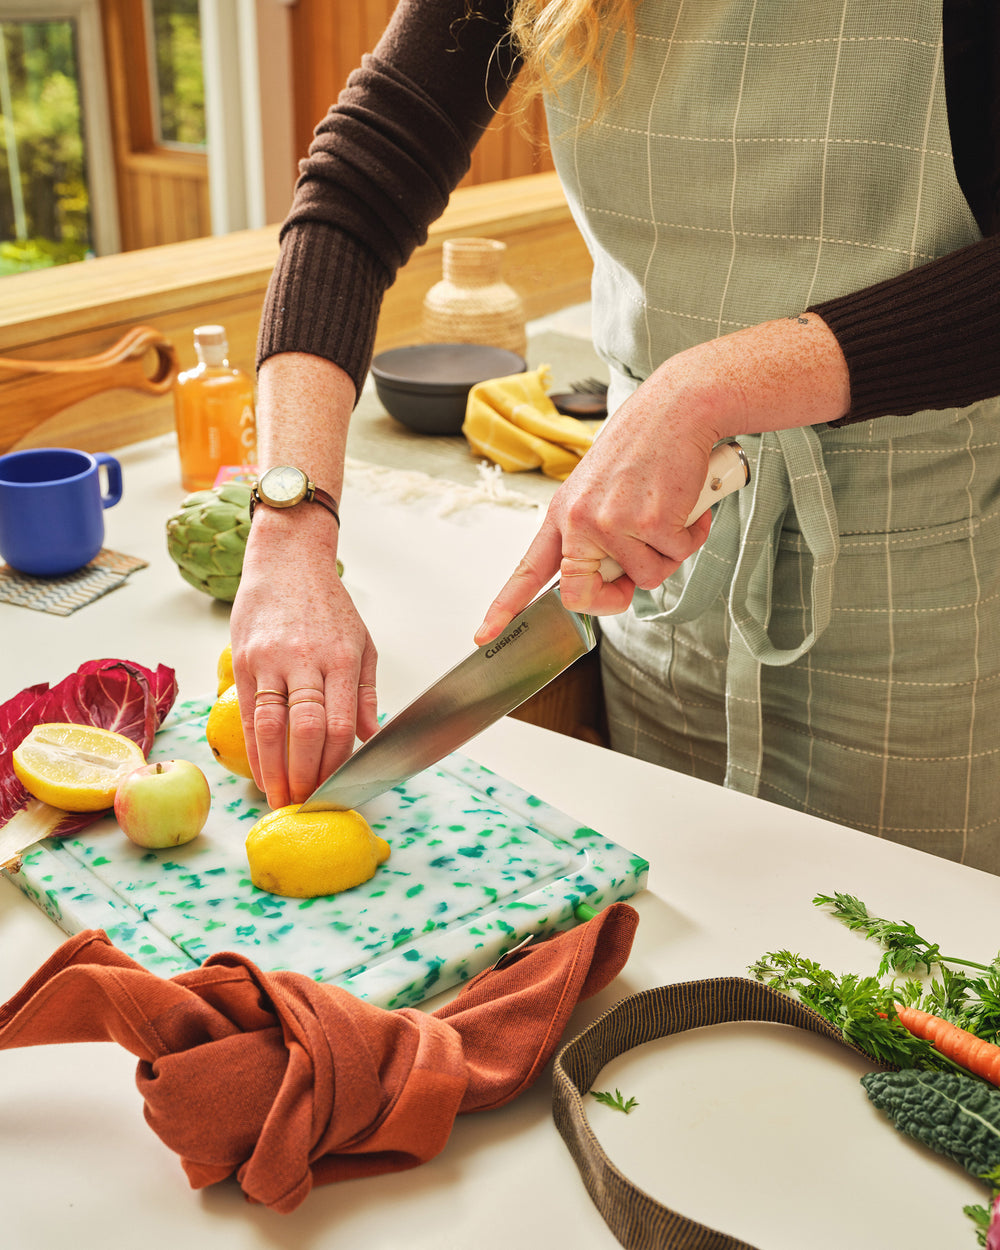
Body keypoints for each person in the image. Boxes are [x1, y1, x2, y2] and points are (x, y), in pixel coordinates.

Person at [230, 1, 1000, 871]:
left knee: (918, 968)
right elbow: (354, 194)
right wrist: (291, 527)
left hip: (934, 597)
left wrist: (704, 388)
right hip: (649, 577)